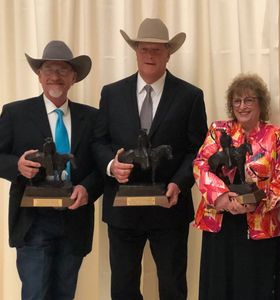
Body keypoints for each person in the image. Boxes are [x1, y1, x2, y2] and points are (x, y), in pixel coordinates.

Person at [93, 18, 207, 300]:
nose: (150, 55)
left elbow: (198, 149)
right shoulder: (112, 93)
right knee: (123, 287)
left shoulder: (190, 96)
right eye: (144, 49)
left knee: (172, 286)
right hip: (122, 209)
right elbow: (98, 141)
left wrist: (179, 184)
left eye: (157, 50)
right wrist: (111, 165)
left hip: (169, 209)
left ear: (169, 53)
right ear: (135, 51)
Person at [0, 40, 102, 300]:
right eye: (48, 69)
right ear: (39, 75)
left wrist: (87, 189)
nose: (55, 76)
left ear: (74, 77)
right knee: (35, 294)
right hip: (33, 223)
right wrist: (17, 166)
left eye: (63, 71)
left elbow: (101, 166)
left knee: (64, 294)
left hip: (74, 221)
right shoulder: (15, 113)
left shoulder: (91, 118)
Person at [194, 73, 280, 300]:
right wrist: (222, 198)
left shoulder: (278, 136)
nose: (242, 106)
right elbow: (200, 166)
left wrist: (253, 204)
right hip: (220, 222)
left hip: (261, 227)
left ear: (261, 104)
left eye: (249, 100)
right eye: (237, 101)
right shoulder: (218, 130)